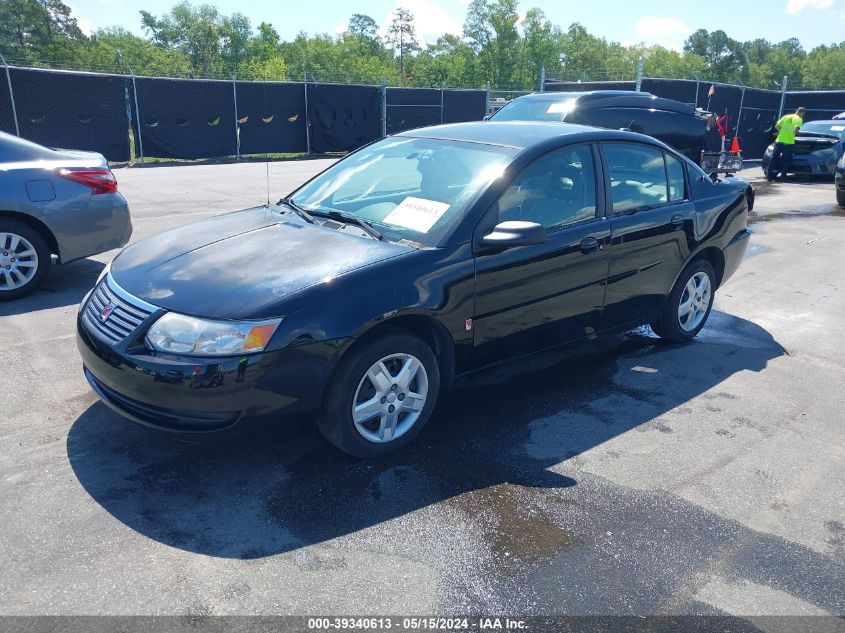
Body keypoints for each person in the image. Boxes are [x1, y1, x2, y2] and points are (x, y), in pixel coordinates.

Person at [767, 107, 805, 181]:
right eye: (803, 114)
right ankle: (783, 177)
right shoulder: (799, 119)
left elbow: (777, 126)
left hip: (779, 140)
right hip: (788, 142)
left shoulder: (786, 116)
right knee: (785, 160)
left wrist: (782, 132)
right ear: (802, 113)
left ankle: (769, 176)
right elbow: (796, 130)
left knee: (774, 159)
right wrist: (800, 134)